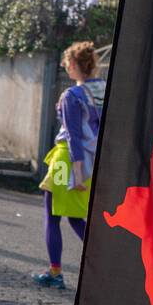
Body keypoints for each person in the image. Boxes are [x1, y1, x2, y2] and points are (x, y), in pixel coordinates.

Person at [32, 40, 104, 290]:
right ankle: (107, 264)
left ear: (73, 64)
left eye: (66, 63)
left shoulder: (72, 95)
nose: (65, 67)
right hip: (95, 160)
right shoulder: (105, 89)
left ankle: (55, 272)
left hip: (70, 160)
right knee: (74, 217)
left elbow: (72, 134)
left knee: (52, 215)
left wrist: (78, 171)